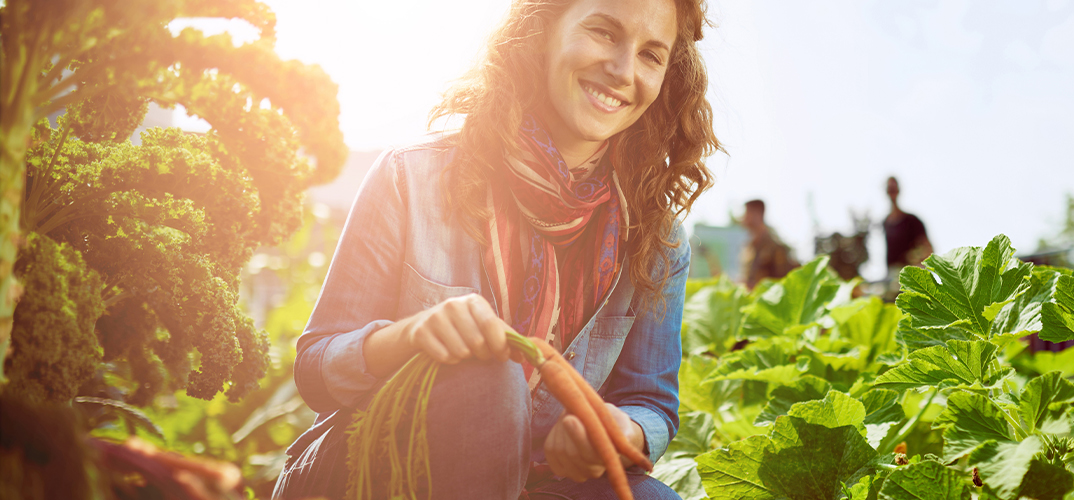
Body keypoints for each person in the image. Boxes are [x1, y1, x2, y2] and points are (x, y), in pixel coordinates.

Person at [272, 0, 719, 498]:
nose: (622, 71)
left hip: (536, 480)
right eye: (604, 32)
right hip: (373, 471)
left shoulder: (657, 237)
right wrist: (408, 337)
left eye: (651, 55)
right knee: (489, 378)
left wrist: (617, 430)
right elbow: (314, 370)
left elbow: (650, 402)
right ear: (543, 31)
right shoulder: (411, 178)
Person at [883, 176, 931, 299]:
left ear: (898, 190)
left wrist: (915, 263)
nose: (891, 191)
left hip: (909, 275)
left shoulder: (912, 221)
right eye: (889, 188)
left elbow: (928, 249)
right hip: (891, 276)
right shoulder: (885, 223)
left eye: (893, 188)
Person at [740, 199, 797, 289]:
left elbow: (783, 282)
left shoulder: (775, 247)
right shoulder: (749, 247)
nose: (743, 218)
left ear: (757, 214)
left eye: (747, 212)